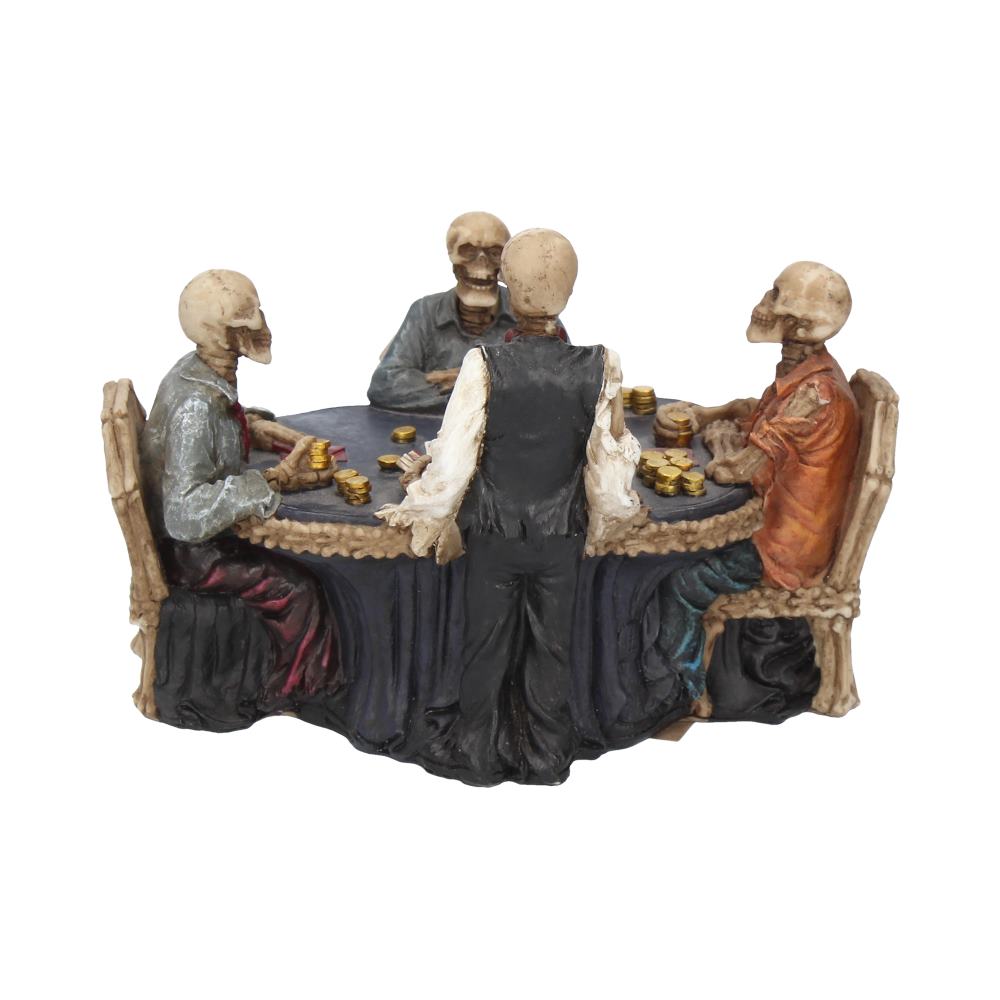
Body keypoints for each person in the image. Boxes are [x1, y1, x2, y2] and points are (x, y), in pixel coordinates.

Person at [377, 230, 645, 783]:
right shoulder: (601, 364)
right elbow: (607, 459)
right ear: (570, 292)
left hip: (494, 534)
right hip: (561, 536)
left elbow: (456, 461)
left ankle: (476, 748)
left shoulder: (483, 364)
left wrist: (422, 505)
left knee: (485, 642)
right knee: (553, 645)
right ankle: (546, 752)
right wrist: (611, 517)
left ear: (506, 283)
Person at [141, 269, 342, 705]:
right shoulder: (196, 405)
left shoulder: (199, 374)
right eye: (243, 323)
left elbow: (217, 430)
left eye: (257, 314)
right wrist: (270, 479)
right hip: (193, 554)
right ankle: (292, 691)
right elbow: (185, 514)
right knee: (300, 590)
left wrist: (255, 428)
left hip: (202, 539)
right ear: (215, 333)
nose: (260, 329)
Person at [655, 261, 861, 591]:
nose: (764, 304)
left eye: (776, 297)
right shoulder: (810, 372)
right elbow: (762, 415)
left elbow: (734, 471)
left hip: (781, 549)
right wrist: (709, 415)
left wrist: (718, 440)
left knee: (674, 581)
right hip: (772, 528)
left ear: (803, 328)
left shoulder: (816, 397)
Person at [365, 211, 519, 412]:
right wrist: (482, 393)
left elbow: (554, 383)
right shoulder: (425, 312)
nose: (482, 263)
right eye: (468, 251)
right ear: (452, 256)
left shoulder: (528, 313)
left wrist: (464, 382)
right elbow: (385, 383)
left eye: (494, 253)